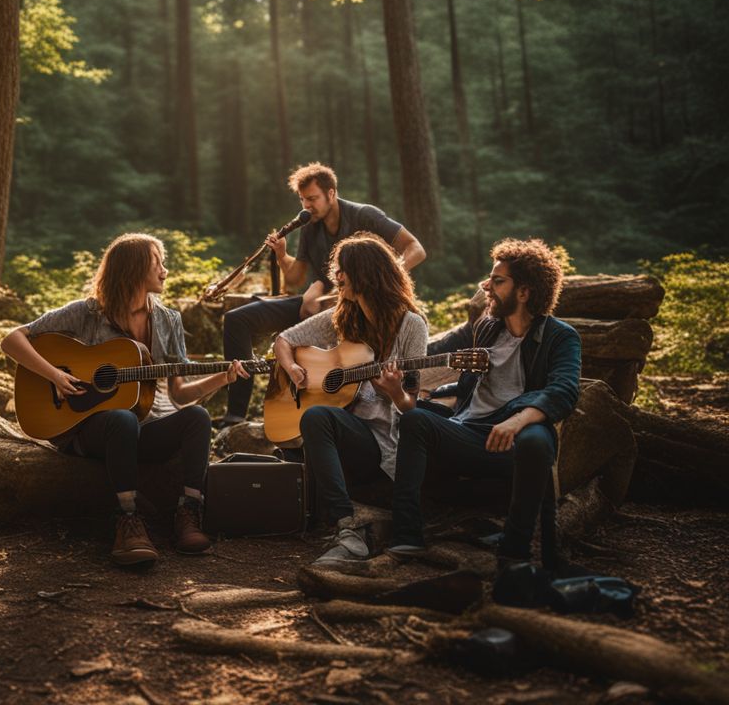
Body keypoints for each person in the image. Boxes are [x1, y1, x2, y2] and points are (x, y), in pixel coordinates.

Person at [1, 233, 249, 566]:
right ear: (133, 269)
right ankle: (127, 521)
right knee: (121, 418)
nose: (164, 270)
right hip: (87, 427)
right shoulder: (87, 313)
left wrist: (223, 377)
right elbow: (12, 339)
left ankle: (188, 513)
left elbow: (180, 394)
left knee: (198, 418)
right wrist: (55, 375)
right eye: (157, 262)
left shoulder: (168, 320)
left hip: (141, 427)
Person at [388, 238, 581, 567]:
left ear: (524, 291)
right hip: (469, 433)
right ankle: (407, 536)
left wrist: (517, 420)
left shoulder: (560, 336)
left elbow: (563, 390)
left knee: (537, 439)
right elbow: (468, 391)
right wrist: (408, 393)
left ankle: (515, 551)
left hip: (514, 439)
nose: (485, 286)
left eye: (498, 280)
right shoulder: (488, 329)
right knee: (414, 420)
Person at [219, 162, 425, 427]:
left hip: (362, 303)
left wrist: (380, 278)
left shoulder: (365, 215)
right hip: (324, 304)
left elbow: (416, 249)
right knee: (238, 319)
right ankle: (236, 414)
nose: (307, 206)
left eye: (313, 198)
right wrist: (282, 255)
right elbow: (294, 280)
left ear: (331, 193)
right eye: (303, 200)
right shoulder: (310, 225)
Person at [274, 233, 429, 569]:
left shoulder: (411, 326)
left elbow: (413, 410)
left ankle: (351, 532)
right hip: (348, 431)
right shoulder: (345, 317)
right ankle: (348, 528)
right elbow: (284, 339)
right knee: (316, 416)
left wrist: (395, 393)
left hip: (384, 442)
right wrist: (295, 369)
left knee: (317, 419)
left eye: (342, 271)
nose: (336, 278)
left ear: (366, 274)